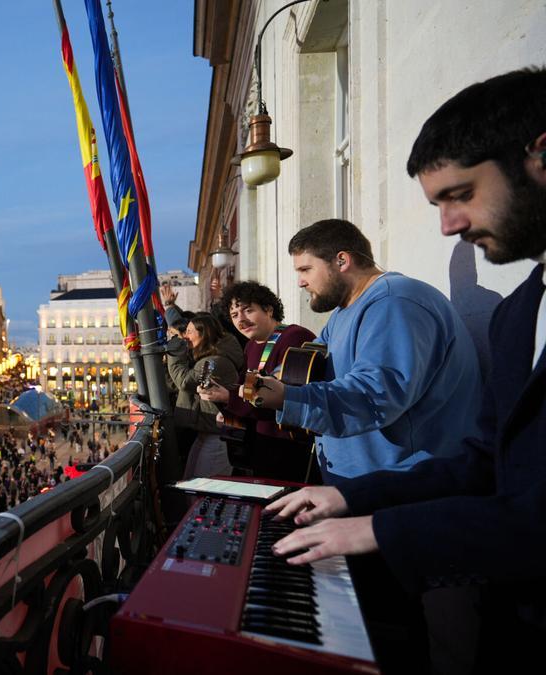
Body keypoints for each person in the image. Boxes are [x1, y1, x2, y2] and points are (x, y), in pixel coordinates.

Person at [266, 66, 546, 670]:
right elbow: (485, 463)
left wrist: (377, 523)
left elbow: (377, 398)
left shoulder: (393, 301)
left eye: (461, 194)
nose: (448, 225)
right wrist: (353, 501)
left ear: (539, 159)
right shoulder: (521, 312)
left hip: (430, 525)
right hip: (421, 515)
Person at [247, 218, 483, 484]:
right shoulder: (343, 313)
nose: (300, 282)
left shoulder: (394, 303)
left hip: (406, 486)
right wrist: (279, 379)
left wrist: (287, 398)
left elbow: (375, 395)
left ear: (342, 261)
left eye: (306, 269)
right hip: (364, 486)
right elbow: (311, 366)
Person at [197, 281, 318, 482]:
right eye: (234, 315)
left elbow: (291, 400)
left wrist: (230, 398)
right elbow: (247, 391)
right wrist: (226, 405)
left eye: (248, 310)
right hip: (262, 447)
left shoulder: (294, 337)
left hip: (290, 451)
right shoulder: (251, 346)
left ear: (269, 309)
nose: (241, 320)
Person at [165, 313, 240, 478]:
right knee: (190, 482)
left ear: (204, 334)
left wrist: (175, 350)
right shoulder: (207, 359)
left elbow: (185, 381)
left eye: (190, 331)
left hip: (219, 436)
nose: (185, 336)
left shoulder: (214, 362)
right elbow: (177, 384)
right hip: (207, 431)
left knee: (204, 487)